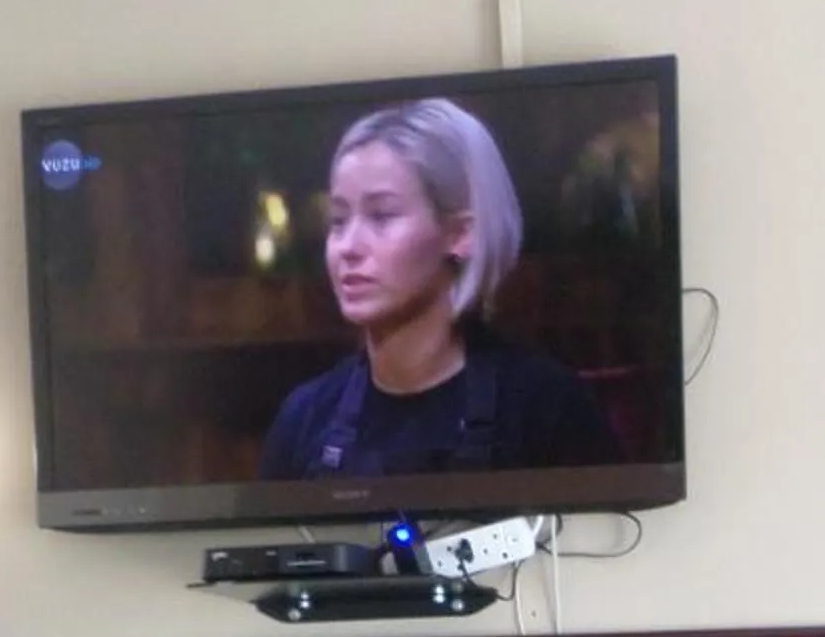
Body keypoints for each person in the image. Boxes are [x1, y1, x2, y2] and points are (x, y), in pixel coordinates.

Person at [255, 98, 624, 482]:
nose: (348, 246)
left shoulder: (545, 406)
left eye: (381, 215)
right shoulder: (304, 419)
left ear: (460, 233)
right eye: (338, 220)